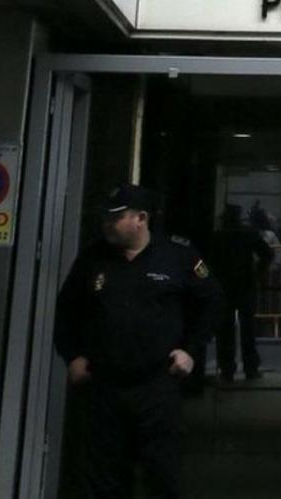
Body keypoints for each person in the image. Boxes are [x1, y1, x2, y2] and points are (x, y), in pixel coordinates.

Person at [54, 184, 220, 499]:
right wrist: (72, 356)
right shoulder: (93, 258)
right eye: (105, 217)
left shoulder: (177, 256)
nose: (106, 224)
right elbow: (66, 311)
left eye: (115, 218)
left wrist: (191, 350)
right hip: (104, 384)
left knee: (162, 475)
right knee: (105, 477)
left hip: (156, 384)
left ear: (141, 218)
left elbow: (212, 303)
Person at [210, 203, 273, 381]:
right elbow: (267, 254)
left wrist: (209, 280)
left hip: (224, 286)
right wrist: (258, 273)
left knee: (225, 330)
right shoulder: (248, 234)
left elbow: (205, 261)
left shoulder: (218, 236)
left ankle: (227, 368)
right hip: (246, 285)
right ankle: (250, 367)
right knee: (248, 329)